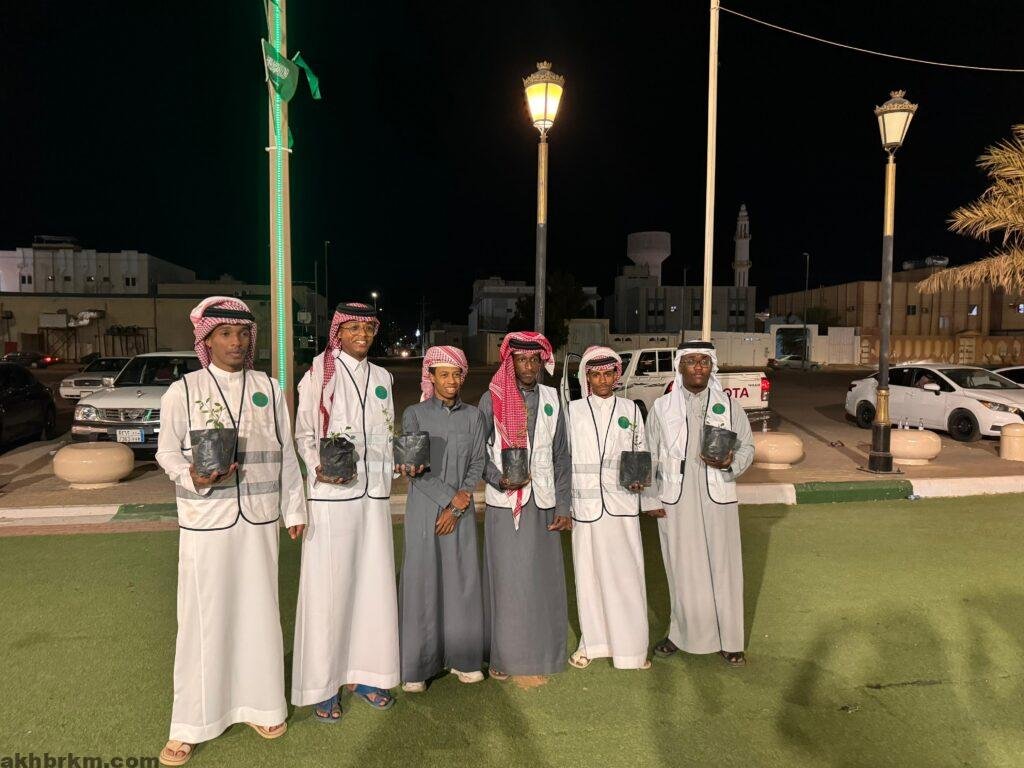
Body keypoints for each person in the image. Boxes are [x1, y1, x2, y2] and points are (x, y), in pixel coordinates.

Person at [155, 297, 306, 766]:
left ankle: (263, 706)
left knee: (259, 613)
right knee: (202, 621)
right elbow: (166, 452)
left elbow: (285, 453)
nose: (236, 342)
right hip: (205, 524)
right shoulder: (183, 390)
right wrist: (190, 477)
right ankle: (190, 724)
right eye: (225, 334)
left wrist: (294, 509)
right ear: (207, 339)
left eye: (242, 334)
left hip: (259, 520)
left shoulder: (268, 388)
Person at [291, 302, 399, 720]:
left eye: (368, 328)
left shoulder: (383, 377)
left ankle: (367, 674)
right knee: (330, 591)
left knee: (372, 586)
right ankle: (325, 684)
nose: (362, 335)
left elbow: (386, 433)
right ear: (338, 332)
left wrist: (397, 465)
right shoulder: (318, 374)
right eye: (353, 328)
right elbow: (304, 432)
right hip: (333, 497)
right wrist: (316, 465)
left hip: (375, 497)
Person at [644, 341, 755, 667]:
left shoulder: (729, 406)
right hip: (675, 501)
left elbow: (748, 447)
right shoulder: (662, 407)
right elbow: (648, 453)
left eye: (704, 362)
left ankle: (730, 640)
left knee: (724, 568)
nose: (698, 367)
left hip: (718, 499)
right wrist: (650, 498)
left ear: (712, 367)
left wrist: (732, 463)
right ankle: (680, 634)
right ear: (679, 366)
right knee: (681, 568)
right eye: (691, 361)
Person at [478, 332, 571, 681]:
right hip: (504, 503)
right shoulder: (492, 397)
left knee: (541, 581)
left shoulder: (552, 398)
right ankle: (503, 656)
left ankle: (543, 653)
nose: (529, 366)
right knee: (508, 580)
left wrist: (564, 505)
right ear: (510, 362)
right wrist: (497, 478)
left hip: (543, 501)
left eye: (534, 360)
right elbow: (477, 450)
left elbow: (562, 455)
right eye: (522, 360)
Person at [397, 346, 487, 692]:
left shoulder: (474, 416)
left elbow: (477, 462)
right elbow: (414, 469)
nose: (451, 381)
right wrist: (452, 498)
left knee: (462, 581)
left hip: (459, 512)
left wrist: (458, 506)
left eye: (456, 374)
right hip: (424, 510)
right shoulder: (414, 414)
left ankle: (465, 659)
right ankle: (418, 667)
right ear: (430, 377)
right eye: (443, 374)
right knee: (422, 582)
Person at [567, 345, 658, 671]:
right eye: (596, 374)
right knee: (588, 577)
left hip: (622, 505)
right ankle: (592, 644)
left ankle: (631, 649)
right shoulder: (572, 411)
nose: (603, 380)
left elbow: (640, 450)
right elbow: (564, 458)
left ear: (616, 376)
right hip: (585, 508)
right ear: (587, 377)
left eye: (608, 373)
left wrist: (643, 488)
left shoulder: (630, 409)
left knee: (627, 576)